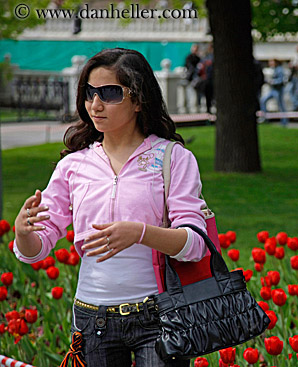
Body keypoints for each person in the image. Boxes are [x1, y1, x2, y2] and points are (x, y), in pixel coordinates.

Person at [13, 48, 208, 367]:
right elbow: (36, 249)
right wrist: (24, 232)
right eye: (90, 93)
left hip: (160, 315)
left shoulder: (173, 159)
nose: (95, 104)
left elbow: (196, 244)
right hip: (92, 320)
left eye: (110, 93)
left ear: (138, 99)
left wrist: (140, 233)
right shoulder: (73, 166)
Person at [260, 59, 288, 126]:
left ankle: (284, 122)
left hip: (278, 90)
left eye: (271, 62)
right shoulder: (274, 69)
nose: (270, 63)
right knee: (263, 100)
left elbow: (281, 80)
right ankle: (264, 118)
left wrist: (273, 82)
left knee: (281, 105)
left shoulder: (279, 69)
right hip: (273, 90)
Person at [287, 46, 298, 111]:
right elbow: (292, 64)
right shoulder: (296, 57)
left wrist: (297, 67)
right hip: (294, 77)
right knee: (289, 90)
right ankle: (296, 104)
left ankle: (297, 106)